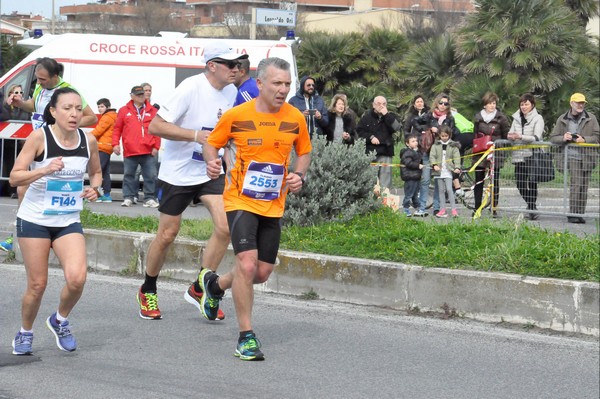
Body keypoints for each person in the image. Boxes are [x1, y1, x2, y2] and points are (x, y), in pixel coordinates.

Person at [202, 57, 311, 361]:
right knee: (247, 265)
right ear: (260, 83)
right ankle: (245, 337)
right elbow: (212, 143)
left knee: (260, 273)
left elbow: (304, 152)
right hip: (239, 199)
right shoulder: (237, 115)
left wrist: (299, 175)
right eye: (277, 83)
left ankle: (215, 284)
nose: (283, 89)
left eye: (287, 84)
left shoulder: (295, 118)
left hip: (273, 205)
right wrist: (212, 160)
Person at [135, 41, 248, 320]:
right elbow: (156, 126)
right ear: (212, 66)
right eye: (231, 64)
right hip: (177, 172)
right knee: (167, 234)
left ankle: (200, 287)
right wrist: (195, 135)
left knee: (225, 226)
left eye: (239, 65)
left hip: (209, 171)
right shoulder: (190, 87)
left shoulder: (232, 92)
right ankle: (148, 288)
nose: (237, 69)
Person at [8, 87, 102, 355]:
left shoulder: (88, 140)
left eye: (78, 109)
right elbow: (14, 177)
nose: (74, 114)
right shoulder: (40, 138)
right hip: (34, 219)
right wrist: (45, 170)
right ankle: (25, 332)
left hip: (68, 220)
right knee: (38, 285)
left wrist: (95, 188)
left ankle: (59, 320)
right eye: (67, 108)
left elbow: (96, 173)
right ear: (53, 112)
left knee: (77, 278)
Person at [0, 58, 98, 253]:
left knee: (34, 190)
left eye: (43, 79)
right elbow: (35, 107)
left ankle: (38, 235)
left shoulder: (69, 92)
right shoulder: (41, 89)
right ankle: (23, 235)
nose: (39, 82)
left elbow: (91, 117)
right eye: (37, 78)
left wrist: (66, 124)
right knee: (22, 189)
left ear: (55, 77)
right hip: (40, 145)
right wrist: (21, 103)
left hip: (61, 146)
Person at [549, 93, 600, 224]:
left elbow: (597, 137)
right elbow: (553, 138)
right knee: (576, 184)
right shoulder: (562, 119)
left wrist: (585, 139)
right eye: (578, 102)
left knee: (584, 186)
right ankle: (572, 213)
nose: (581, 105)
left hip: (587, 157)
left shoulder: (591, 118)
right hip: (571, 156)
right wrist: (563, 138)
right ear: (571, 103)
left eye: (582, 102)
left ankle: (580, 213)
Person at [112, 85, 160, 208]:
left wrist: (156, 146)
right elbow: (117, 129)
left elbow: (157, 130)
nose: (141, 97)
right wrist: (115, 144)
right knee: (129, 176)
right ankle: (128, 197)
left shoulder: (152, 111)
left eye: (142, 94)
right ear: (132, 96)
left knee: (150, 176)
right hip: (130, 150)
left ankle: (149, 198)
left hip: (148, 150)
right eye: (138, 95)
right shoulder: (124, 110)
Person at [413, 93, 461, 216]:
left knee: (438, 181)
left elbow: (451, 132)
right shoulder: (429, 115)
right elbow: (415, 121)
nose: (443, 105)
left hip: (441, 153)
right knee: (425, 180)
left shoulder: (450, 117)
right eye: (441, 103)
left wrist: (439, 129)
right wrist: (426, 130)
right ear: (436, 103)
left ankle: (437, 207)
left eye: (446, 103)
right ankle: (422, 207)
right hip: (428, 150)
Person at [472, 92, 510, 217]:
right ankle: (477, 208)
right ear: (485, 105)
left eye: (494, 103)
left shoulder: (501, 118)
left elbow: (506, 136)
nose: (492, 106)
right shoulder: (478, 118)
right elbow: (475, 134)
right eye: (489, 103)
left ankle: (494, 208)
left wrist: (500, 149)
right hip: (480, 153)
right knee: (479, 180)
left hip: (495, 154)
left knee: (495, 181)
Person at [507, 93, 545, 220]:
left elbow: (537, 137)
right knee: (520, 184)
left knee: (532, 183)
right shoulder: (516, 118)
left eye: (526, 104)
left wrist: (521, 137)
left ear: (532, 105)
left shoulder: (538, 118)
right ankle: (532, 206)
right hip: (518, 155)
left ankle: (532, 209)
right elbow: (510, 132)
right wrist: (510, 136)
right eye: (522, 104)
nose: (523, 107)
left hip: (532, 155)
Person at [357, 96, 401, 189]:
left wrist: (386, 115)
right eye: (379, 104)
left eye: (384, 104)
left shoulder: (390, 117)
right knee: (369, 181)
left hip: (385, 152)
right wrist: (370, 137)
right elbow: (359, 132)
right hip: (370, 152)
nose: (381, 106)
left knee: (385, 182)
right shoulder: (366, 117)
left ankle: (385, 201)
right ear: (373, 105)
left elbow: (396, 128)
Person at [430, 125, 461, 218]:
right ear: (439, 135)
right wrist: (434, 164)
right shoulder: (435, 145)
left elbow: (457, 157)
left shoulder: (453, 145)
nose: (444, 138)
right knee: (441, 190)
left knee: (449, 189)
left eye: (446, 136)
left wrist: (457, 167)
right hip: (439, 171)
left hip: (448, 170)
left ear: (449, 135)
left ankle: (454, 209)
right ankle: (442, 209)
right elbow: (432, 156)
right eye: (442, 136)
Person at [90, 98, 117, 203]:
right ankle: (106, 194)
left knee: (97, 171)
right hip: (107, 147)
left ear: (108, 107)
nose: (100, 109)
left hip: (103, 146)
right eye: (98, 107)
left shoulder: (107, 117)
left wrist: (86, 137)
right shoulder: (113, 116)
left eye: (102, 106)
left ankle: (95, 194)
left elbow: (98, 131)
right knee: (105, 172)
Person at [400, 135, 423, 216]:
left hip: (416, 176)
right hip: (410, 176)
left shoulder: (417, 152)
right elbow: (408, 163)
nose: (415, 143)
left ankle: (418, 209)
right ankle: (405, 209)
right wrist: (418, 165)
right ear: (407, 143)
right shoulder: (407, 152)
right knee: (409, 194)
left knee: (415, 194)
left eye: (416, 141)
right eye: (413, 141)